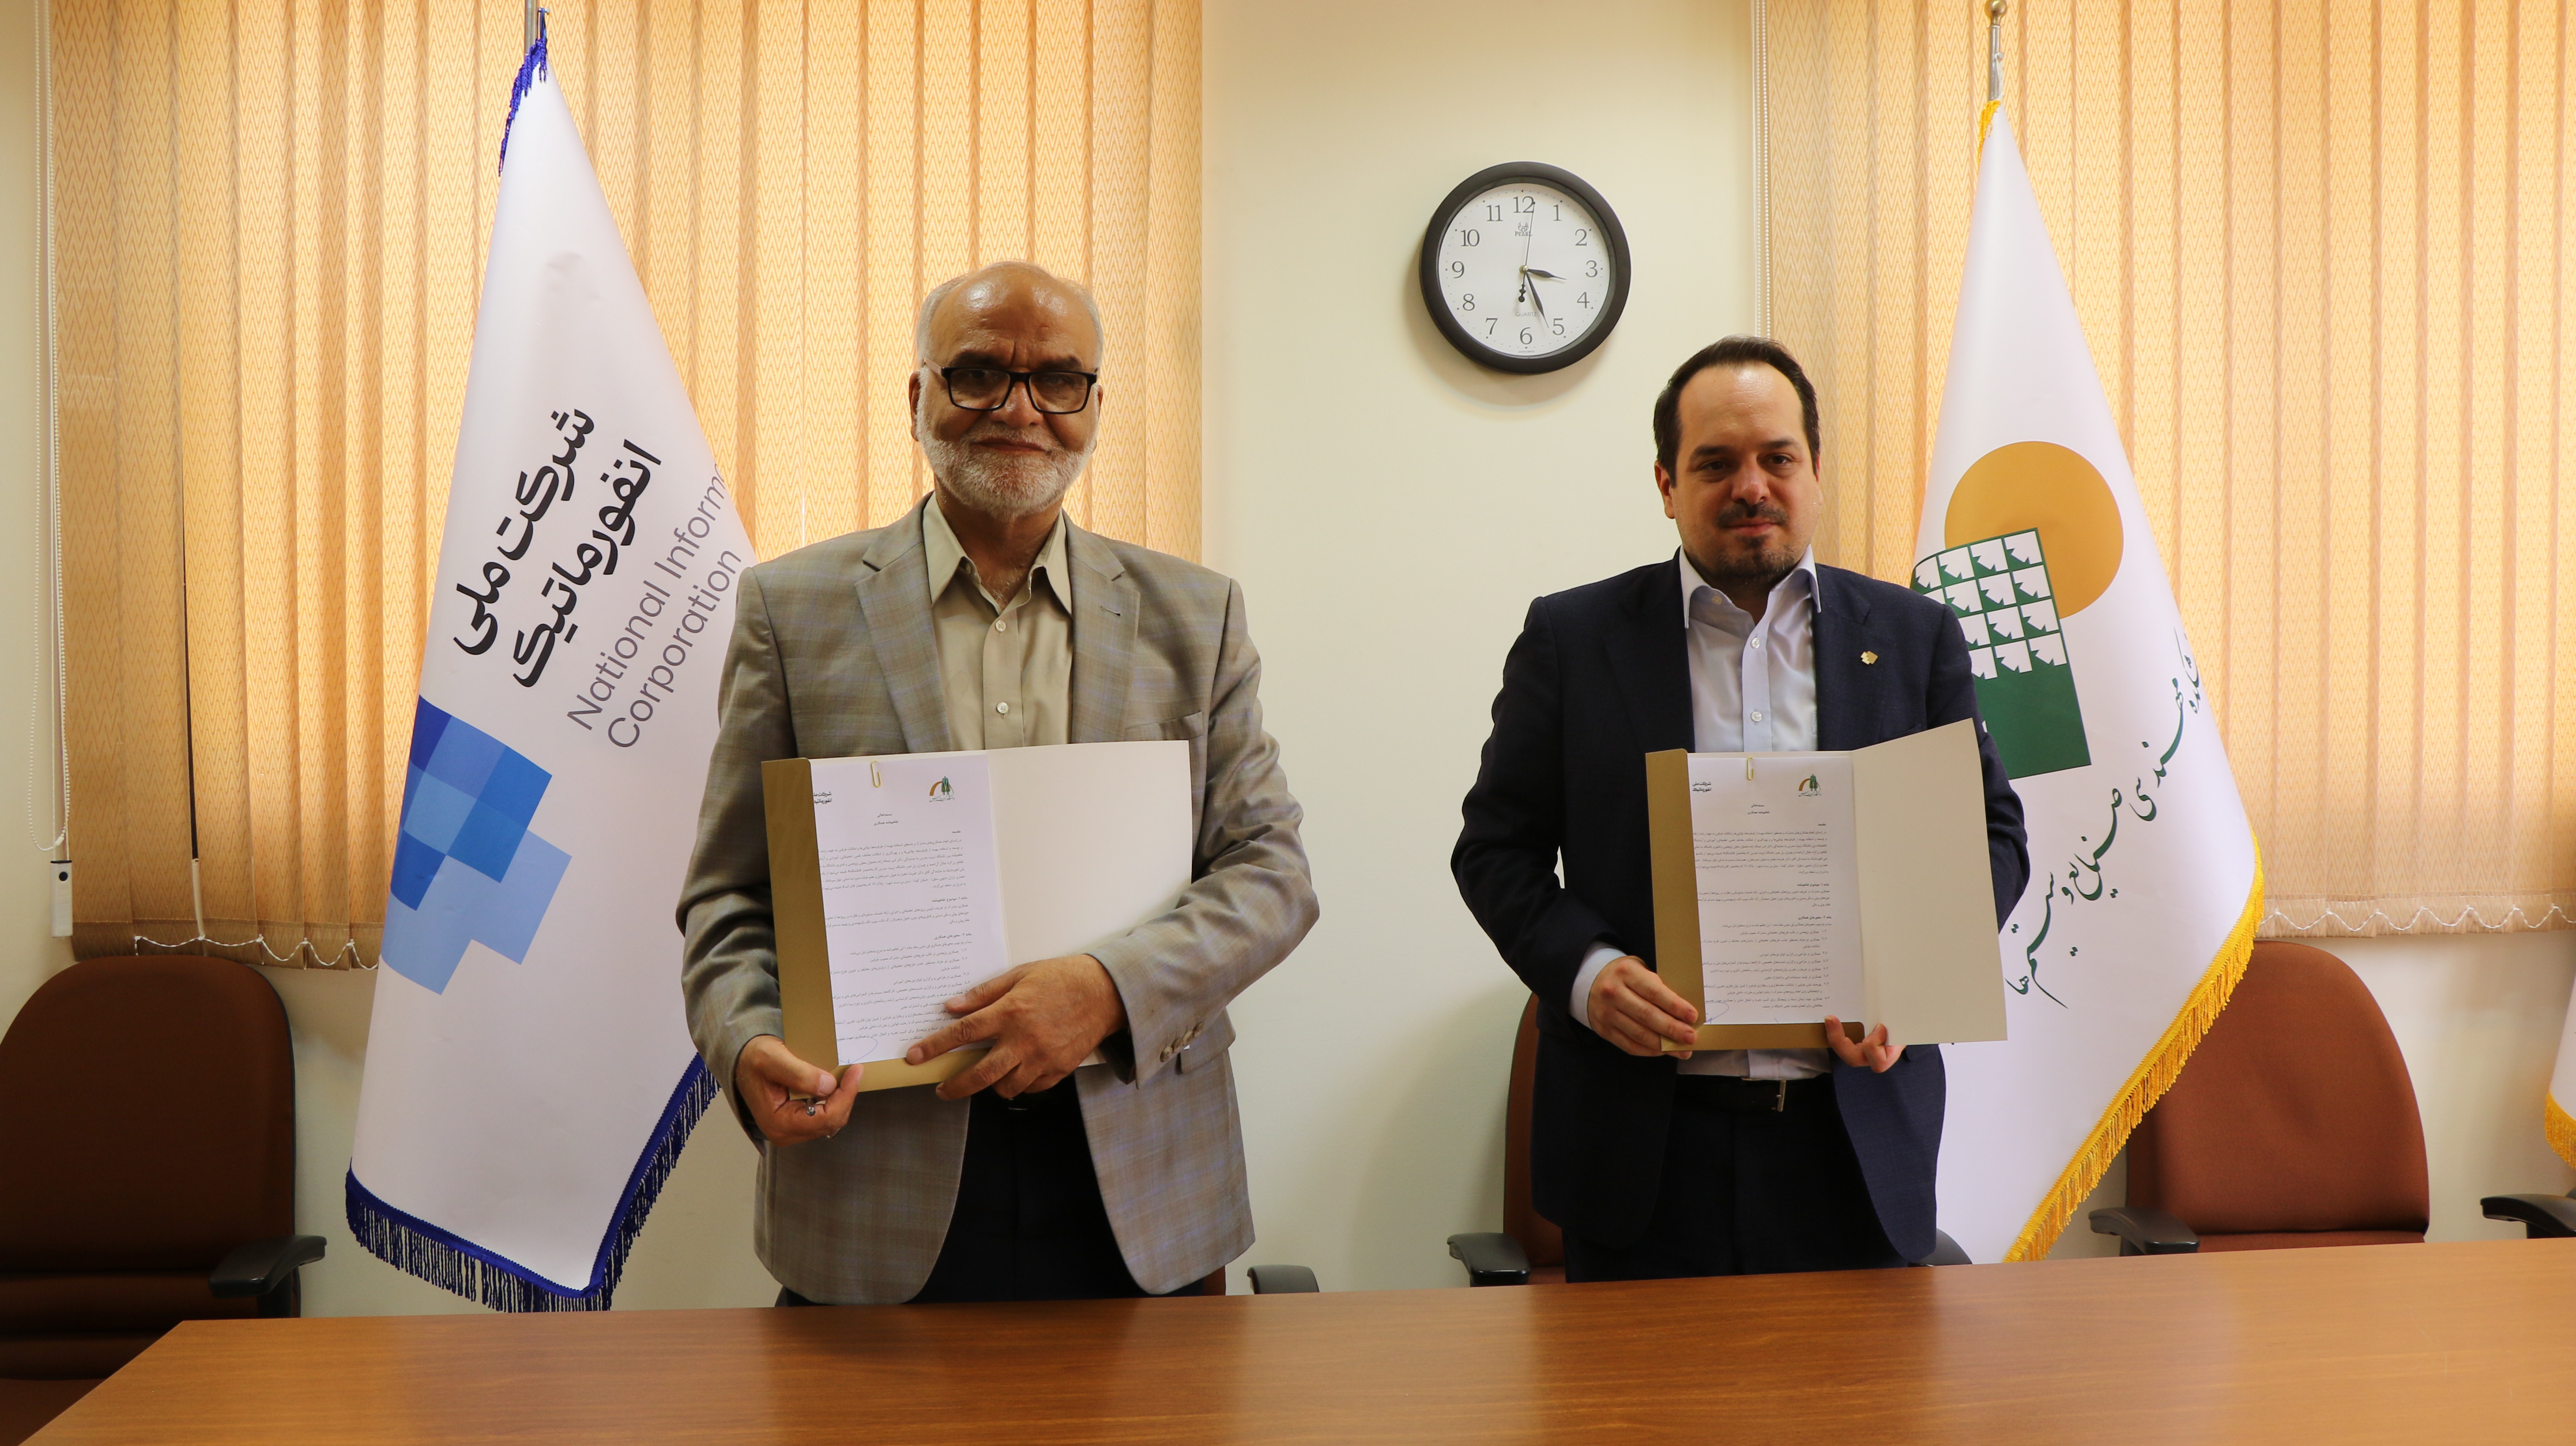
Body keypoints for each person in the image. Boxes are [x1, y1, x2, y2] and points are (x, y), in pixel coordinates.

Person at [680, 260, 1317, 1305]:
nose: (1019, 410)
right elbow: (732, 894)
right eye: (978, 373)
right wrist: (746, 1039)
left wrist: (1106, 991)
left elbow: (1272, 876)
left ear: (1095, 405)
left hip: (1144, 1180)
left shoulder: (1195, 617)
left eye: (1058, 379)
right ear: (918, 397)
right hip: (873, 1180)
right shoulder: (790, 613)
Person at [1452, 336, 2028, 1279]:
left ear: (1815, 470)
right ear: (1667, 484)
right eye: (1715, 463)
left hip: (1854, 1147)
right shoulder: (1573, 639)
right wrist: (1589, 974)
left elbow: (1992, 837)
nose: (1750, 486)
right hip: (1642, 1155)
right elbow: (1495, 852)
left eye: (1777, 458)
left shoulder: (1913, 636)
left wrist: (1910, 980)